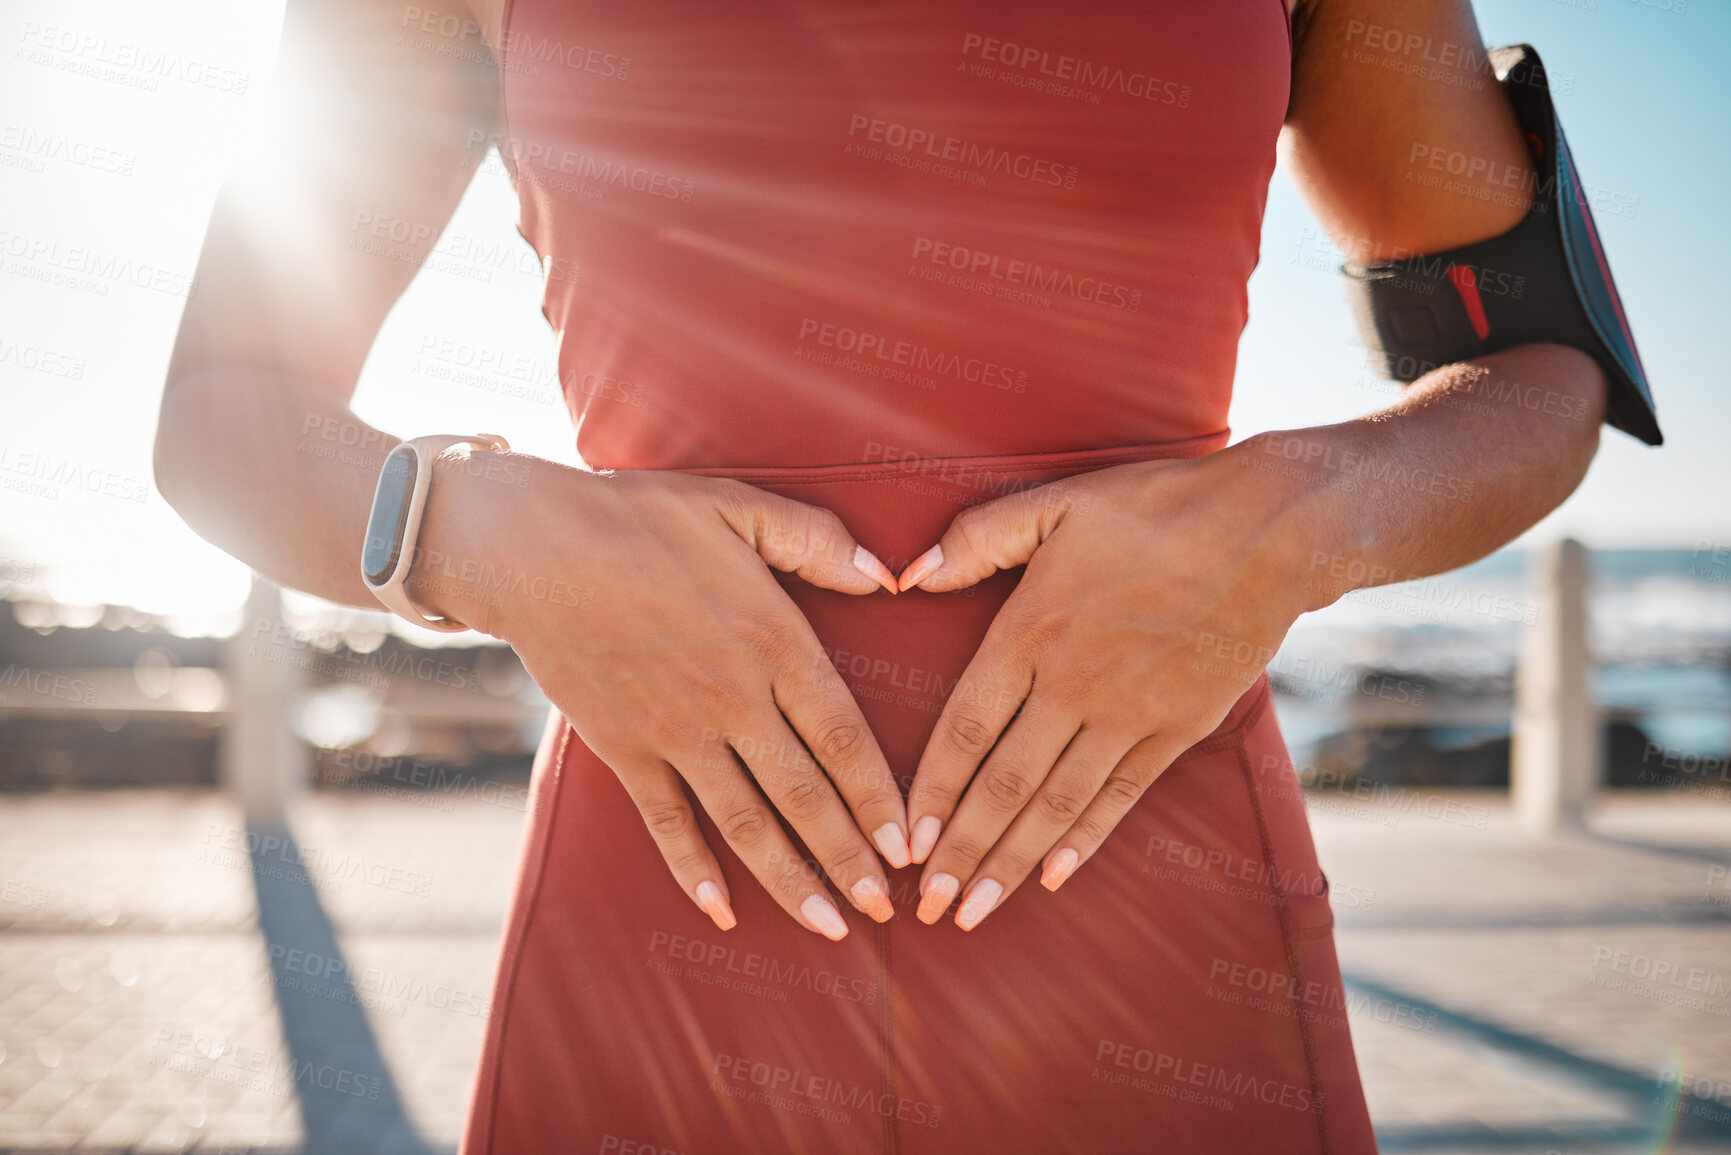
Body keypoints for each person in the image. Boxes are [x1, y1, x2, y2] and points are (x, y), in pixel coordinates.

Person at [155, 0, 1615, 1150]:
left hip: (1162, 918)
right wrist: (473, 532)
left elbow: (1542, 373)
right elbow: (222, 413)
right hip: (675, 926)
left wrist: (1305, 507)